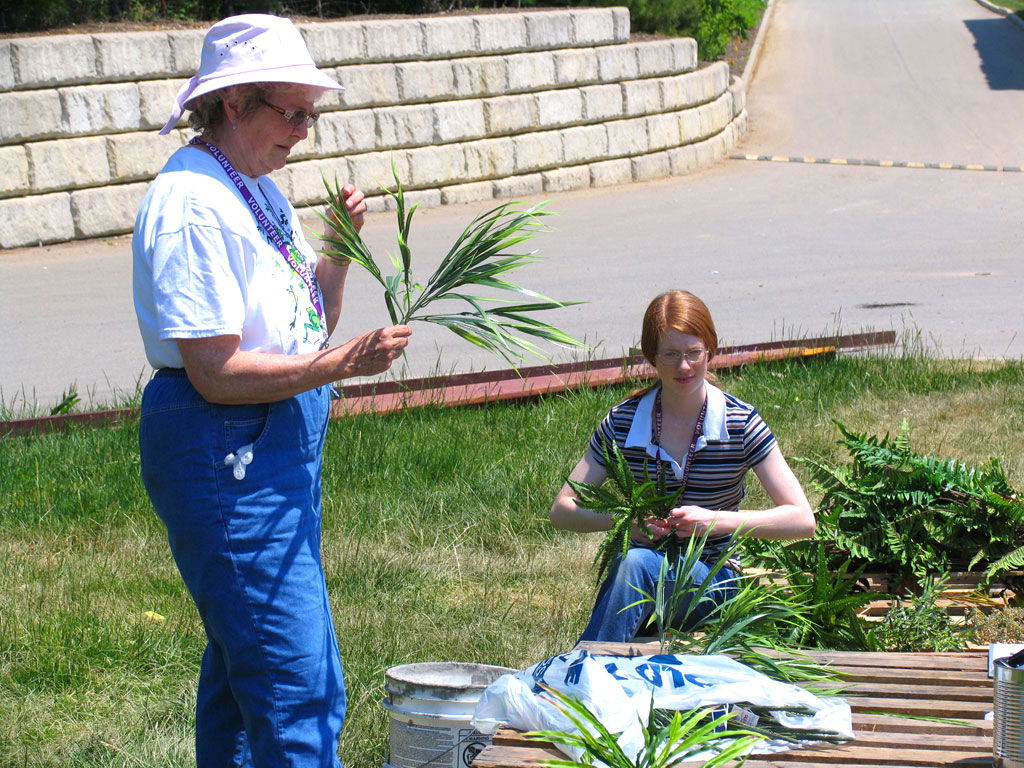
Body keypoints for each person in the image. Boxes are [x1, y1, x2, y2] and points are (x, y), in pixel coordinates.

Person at [132, 14, 411, 768]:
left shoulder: (251, 187)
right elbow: (215, 372)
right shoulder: (195, 206)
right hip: (226, 446)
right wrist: (337, 367)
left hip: (267, 445)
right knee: (296, 685)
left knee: (241, 665)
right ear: (232, 104)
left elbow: (300, 322)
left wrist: (338, 255)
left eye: (311, 114)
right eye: (291, 112)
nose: (305, 131)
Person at [549, 290, 814, 643]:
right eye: (671, 355)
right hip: (642, 571)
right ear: (651, 358)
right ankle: (591, 669)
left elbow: (801, 519)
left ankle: (584, 671)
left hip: (715, 580)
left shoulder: (739, 421)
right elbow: (562, 511)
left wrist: (716, 522)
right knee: (638, 564)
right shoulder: (624, 423)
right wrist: (626, 524)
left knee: (634, 566)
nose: (684, 366)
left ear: (710, 351)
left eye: (693, 353)